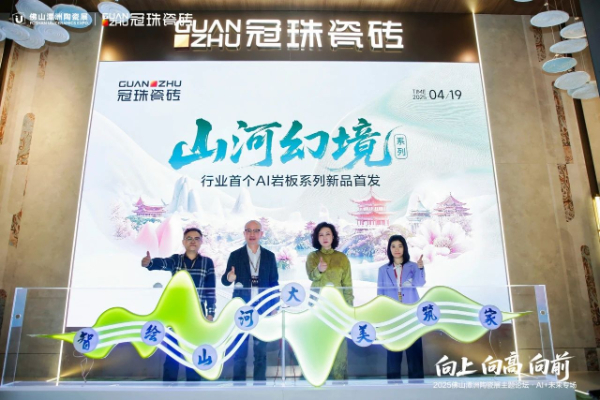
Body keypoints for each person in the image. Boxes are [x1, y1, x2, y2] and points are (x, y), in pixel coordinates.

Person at [141, 227, 216, 382]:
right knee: (173, 352)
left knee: (194, 351)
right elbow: (162, 263)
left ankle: (194, 388)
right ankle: (169, 388)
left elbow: (210, 290)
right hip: (177, 313)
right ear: (183, 242)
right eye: (189, 238)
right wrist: (149, 263)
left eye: (196, 238)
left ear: (201, 242)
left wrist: (210, 313)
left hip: (198, 315)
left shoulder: (207, 262)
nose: (193, 241)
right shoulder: (176, 260)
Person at [221, 220, 279, 382]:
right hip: (241, 308)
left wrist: (274, 306)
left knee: (261, 352)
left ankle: (259, 386)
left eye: (256, 231)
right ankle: (238, 386)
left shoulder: (269, 256)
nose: (252, 234)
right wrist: (229, 277)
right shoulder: (235, 255)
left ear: (261, 234)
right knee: (240, 350)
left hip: (263, 308)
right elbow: (225, 281)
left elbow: (274, 283)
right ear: (244, 233)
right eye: (248, 230)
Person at [305, 222, 353, 380]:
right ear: (316, 238)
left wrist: (349, 309)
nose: (324, 237)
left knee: (339, 343)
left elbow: (347, 286)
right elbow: (311, 276)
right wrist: (319, 269)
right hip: (318, 307)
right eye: (321, 235)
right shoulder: (312, 257)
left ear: (333, 237)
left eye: (328, 234)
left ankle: (339, 380)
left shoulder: (342, 258)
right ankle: (319, 379)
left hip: (338, 308)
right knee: (319, 342)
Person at [377, 234, 425, 380]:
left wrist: (421, 268)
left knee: (414, 355)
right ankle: (393, 387)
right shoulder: (383, 269)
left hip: (411, 316)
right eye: (393, 246)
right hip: (393, 317)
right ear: (389, 249)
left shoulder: (413, 266)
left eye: (400, 246)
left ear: (404, 248)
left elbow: (420, 283)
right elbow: (380, 295)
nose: (396, 249)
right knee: (393, 355)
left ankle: (417, 386)